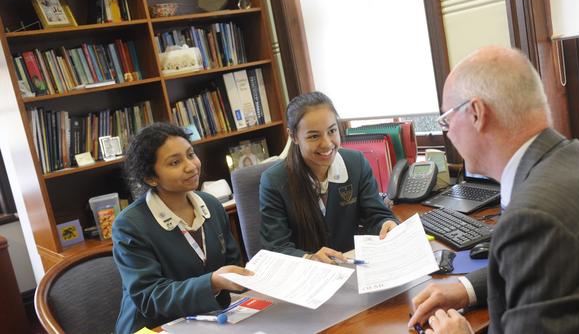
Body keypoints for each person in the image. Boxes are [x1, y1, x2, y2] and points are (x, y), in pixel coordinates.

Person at [408, 46, 579, 333]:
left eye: (446, 119)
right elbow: (553, 269)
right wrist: (467, 287)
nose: (447, 132)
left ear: (476, 113)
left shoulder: (536, 218)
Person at [112, 123, 252, 334]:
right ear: (150, 177)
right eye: (175, 162)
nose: (191, 166)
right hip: (154, 327)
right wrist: (212, 283)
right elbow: (150, 297)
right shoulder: (129, 225)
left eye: (191, 154)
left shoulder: (211, 205)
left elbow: (231, 263)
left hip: (207, 320)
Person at [259, 91, 399, 264]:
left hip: (352, 268)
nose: (326, 143)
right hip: (307, 277)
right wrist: (310, 258)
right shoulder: (274, 181)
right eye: (314, 136)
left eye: (332, 131)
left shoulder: (356, 164)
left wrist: (387, 224)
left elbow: (376, 215)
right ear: (293, 136)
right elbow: (276, 247)